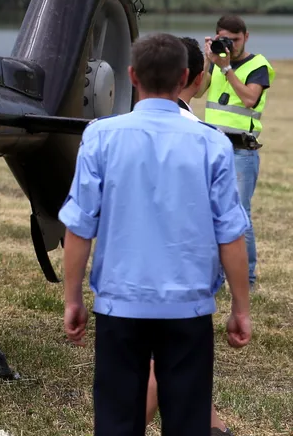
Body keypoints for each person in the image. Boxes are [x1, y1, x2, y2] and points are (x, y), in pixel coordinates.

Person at [61, 33, 252, 436]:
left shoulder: (100, 136)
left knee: (117, 421)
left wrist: (73, 298)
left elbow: (79, 226)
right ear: (186, 77)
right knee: (187, 420)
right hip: (188, 309)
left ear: (131, 76)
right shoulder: (212, 144)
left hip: (120, 306)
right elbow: (231, 234)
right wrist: (240, 307)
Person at [143, 35, 233, 436]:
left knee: (171, 360)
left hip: (136, 265)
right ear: (196, 79)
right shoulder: (203, 136)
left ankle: (213, 427)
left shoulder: (129, 123)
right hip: (182, 269)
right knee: (166, 362)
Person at [195, 14, 271, 286]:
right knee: (210, 213)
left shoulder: (258, 65)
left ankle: (246, 278)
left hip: (241, 151)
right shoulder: (216, 61)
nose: (231, 45)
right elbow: (198, 91)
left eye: (236, 40)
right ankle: (215, 275)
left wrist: (227, 68)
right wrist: (208, 60)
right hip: (213, 149)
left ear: (246, 37)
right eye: (225, 39)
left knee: (239, 215)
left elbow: (250, 99)